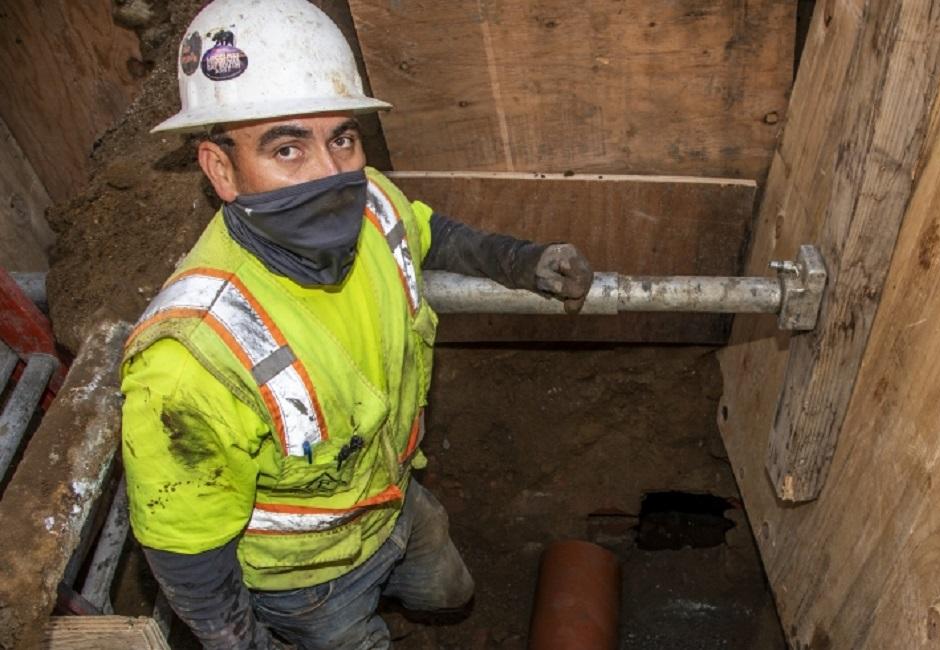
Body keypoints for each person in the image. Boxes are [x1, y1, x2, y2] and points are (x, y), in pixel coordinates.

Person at [119, 1, 594, 647]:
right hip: (308, 581)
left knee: (451, 592)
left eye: (341, 137)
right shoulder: (192, 361)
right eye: (288, 148)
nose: (332, 175)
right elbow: (186, 552)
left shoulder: (369, 203)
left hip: (395, 497)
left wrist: (520, 261)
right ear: (221, 169)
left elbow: (424, 231)